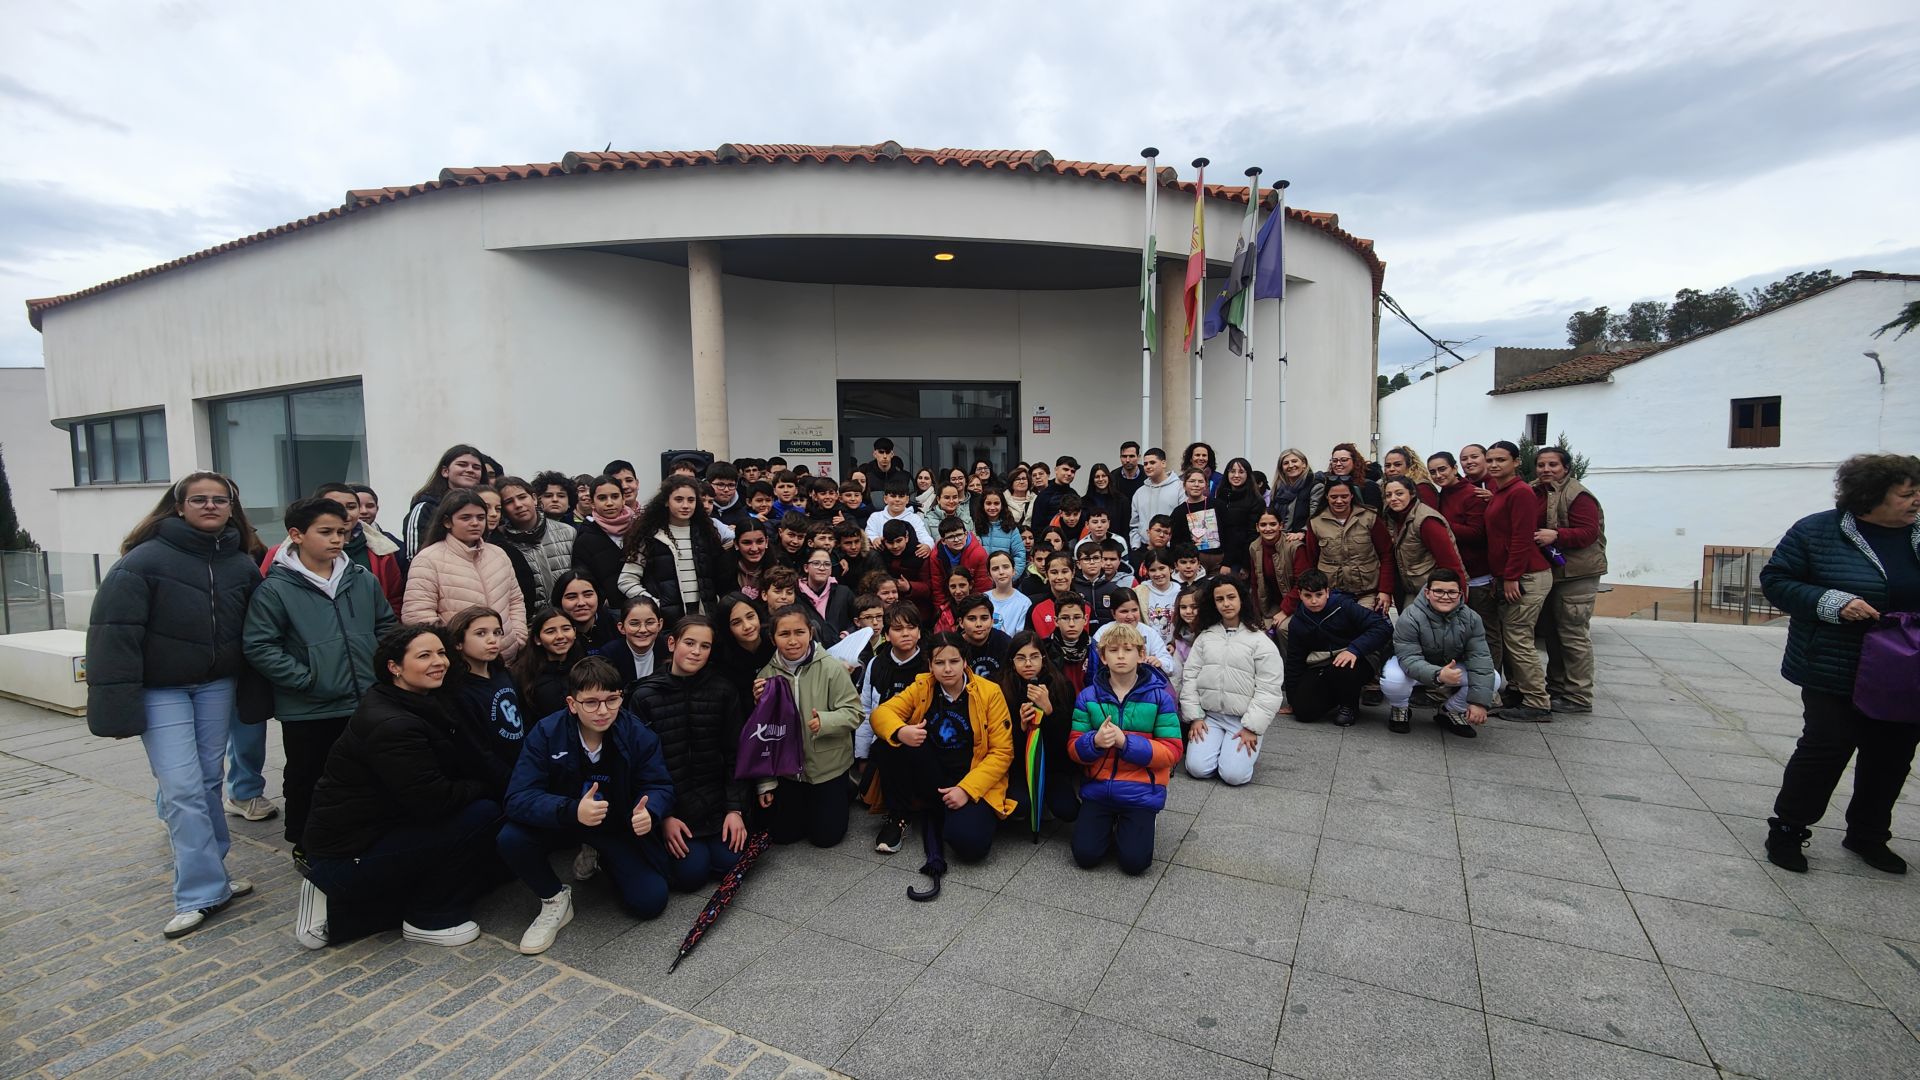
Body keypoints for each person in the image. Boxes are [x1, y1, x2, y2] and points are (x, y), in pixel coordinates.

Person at [87, 473, 268, 938]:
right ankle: (200, 893)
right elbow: (114, 633)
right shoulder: (143, 561)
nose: (210, 506)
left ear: (232, 507)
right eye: (199, 499)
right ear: (179, 506)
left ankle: (216, 876)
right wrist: (116, 703)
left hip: (216, 686)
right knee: (181, 786)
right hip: (161, 690)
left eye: (219, 500)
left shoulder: (241, 563)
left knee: (208, 781)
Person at [1761, 453, 1920, 875]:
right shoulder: (1817, 531)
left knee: (1891, 753)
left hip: (1905, 669)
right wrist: (1832, 601)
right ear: (1870, 496)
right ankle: (1789, 829)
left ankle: (1868, 833)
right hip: (1835, 664)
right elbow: (1776, 581)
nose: (1917, 500)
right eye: (1907, 494)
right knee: (1826, 746)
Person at [297, 626, 503, 950]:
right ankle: (429, 917)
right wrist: (482, 787)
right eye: (424, 656)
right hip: (349, 852)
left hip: (382, 826)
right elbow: (433, 802)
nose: (439, 662)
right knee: (483, 815)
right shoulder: (392, 724)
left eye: (441, 653)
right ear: (394, 667)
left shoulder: (416, 699)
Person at [245, 494, 399, 853]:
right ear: (297, 535)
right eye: (325, 532)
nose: (336, 540)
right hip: (308, 706)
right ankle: (306, 842)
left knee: (365, 770)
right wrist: (307, 680)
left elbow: (385, 626)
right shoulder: (276, 587)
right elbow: (260, 645)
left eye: (342, 532)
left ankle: (361, 836)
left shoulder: (361, 578)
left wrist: (376, 670)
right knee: (308, 775)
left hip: (363, 696)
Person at [498, 655, 674, 955]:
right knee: (511, 838)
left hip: (613, 824)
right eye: (591, 702)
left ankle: (600, 857)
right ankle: (554, 899)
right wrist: (570, 809)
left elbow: (659, 785)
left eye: (612, 700)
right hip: (563, 821)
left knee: (650, 901)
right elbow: (517, 797)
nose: (603, 711)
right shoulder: (546, 732)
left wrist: (651, 810)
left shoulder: (637, 732)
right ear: (572, 703)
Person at [867, 633, 1015, 898]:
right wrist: (901, 731)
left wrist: (966, 790)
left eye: (954, 661)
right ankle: (899, 815)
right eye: (939, 662)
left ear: (965, 661)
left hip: (969, 778)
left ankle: (950, 812)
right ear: (930, 664)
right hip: (931, 772)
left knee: (971, 847)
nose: (947, 669)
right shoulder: (922, 687)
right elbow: (881, 714)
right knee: (887, 743)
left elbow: (1002, 752)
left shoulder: (989, 692)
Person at [625, 615, 751, 892]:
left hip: (715, 802)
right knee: (691, 876)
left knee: (735, 862)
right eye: (689, 643)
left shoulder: (723, 690)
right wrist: (664, 817)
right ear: (672, 643)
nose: (696, 651)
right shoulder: (644, 696)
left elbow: (735, 753)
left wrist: (735, 809)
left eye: (704, 646)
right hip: (674, 807)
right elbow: (639, 766)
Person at [1067, 624, 1182, 875]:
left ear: (1141, 655)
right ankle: (1109, 825)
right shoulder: (1088, 697)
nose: (1120, 655)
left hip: (1141, 791)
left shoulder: (1160, 697)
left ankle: (1137, 823)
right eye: (1113, 650)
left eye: (1128, 649)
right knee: (1085, 856)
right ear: (1103, 657)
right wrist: (1094, 742)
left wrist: (1126, 743)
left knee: (1135, 863)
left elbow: (1172, 751)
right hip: (1098, 789)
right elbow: (1074, 748)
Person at [752, 605, 863, 847]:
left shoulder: (831, 668)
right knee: (783, 835)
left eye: (799, 632)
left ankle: (847, 787)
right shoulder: (767, 675)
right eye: (784, 634)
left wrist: (826, 721)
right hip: (788, 772)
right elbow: (762, 736)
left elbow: (855, 713)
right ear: (772, 638)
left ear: (810, 633)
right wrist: (766, 782)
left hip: (828, 767)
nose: (793, 641)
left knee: (825, 838)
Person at [1180, 577, 1285, 785]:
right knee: (1197, 768)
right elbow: (1190, 676)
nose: (1226, 604)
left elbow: (1269, 688)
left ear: (1242, 600)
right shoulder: (1205, 637)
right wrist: (1195, 717)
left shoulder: (1259, 641)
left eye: (1231, 597)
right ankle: (1219, 748)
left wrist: (1252, 727)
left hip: (1242, 720)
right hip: (1210, 717)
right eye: (1219, 599)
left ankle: (1234, 755)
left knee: (1233, 776)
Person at [1380, 569, 1499, 738]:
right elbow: (1409, 658)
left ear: (1460, 594)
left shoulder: (1472, 618)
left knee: (1493, 678)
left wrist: (1479, 702)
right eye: (1439, 591)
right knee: (1393, 678)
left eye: (1452, 592)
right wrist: (1438, 674)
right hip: (1415, 666)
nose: (1445, 596)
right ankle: (1400, 707)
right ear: (1427, 593)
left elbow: (1480, 658)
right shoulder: (1410, 616)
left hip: (1450, 666)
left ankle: (1451, 711)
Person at [1482, 441, 1554, 720]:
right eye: (1490, 460)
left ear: (1516, 462)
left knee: (1519, 638)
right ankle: (1522, 691)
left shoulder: (1521, 492)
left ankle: (1537, 702)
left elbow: (1522, 537)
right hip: (1510, 575)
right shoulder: (1501, 492)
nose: (1494, 465)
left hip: (1527, 575)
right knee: (1513, 636)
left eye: (1501, 459)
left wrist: (1511, 576)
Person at [1532, 447, 1607, 714]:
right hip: (1553, 573)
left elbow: (1588, 532)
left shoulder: (1578, 494)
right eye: (1541, 465)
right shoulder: (1537, 490)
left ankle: (1578, 695)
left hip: (1577, 574)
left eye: (1553, 464)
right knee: (1553, 633)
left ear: (1565, 467)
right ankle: (1558, 687)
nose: (1546, 470)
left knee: (1573, 634)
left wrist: (1557, 536)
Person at [995, 630, 1082, 829]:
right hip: (1016, 766)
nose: (1028, 664)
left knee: (1068, 811)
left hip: (1052, 765)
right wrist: (1021, 727)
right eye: (1021, 658)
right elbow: (999, 741)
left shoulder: (1061, 684)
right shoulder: (1000, 687)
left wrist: (1050, 711)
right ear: (1011, 661)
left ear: (1043, 658)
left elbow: (1066, 740)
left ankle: (1046, 801)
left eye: (1034, 657)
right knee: (1021, 805)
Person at [1284, 569, 1392, 726]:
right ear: (1300, 595)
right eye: (1308, 596)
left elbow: (1382, 627)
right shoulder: (1298, 622)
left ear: (1327, 592)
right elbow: (1294, 660)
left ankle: (1349, 706)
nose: (1314, 601)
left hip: (1358, 659)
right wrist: (1293, 699)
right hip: (1321, 664)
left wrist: (1354, 649)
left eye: (1318, 595)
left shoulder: (1344, 606)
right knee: (1303, 712)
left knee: (1342, 667)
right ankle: (1337, 696)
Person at [441, 605, 525, 795]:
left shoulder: (503, 674)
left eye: (497, 633)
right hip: (500, 782)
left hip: (522, 765)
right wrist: (514, 782)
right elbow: (477, 753)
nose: (492, 640)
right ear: (458, 642)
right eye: (481, 633)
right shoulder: (458, 691)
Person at [856, 603, 929, 808]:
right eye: (897, 629)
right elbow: (867, 710)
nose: (906, 634)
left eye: (911, 627)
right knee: (866, 794)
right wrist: (862, 755)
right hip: (885, 739)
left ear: (919, 632)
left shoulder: (930, 663)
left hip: (922, 738)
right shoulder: (876, 664)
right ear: (887, 635)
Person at [1431, 450, 1498, 671]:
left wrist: (1441, 525)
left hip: (1477, 575)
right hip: (1453, 576)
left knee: (1485, 633)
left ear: (1453, 468)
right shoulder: (1444, 494)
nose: (1438, 475)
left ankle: (1490, 681)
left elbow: (1478, 533)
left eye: (1442, 469)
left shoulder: (1472, 494)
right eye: (1433, 472)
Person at [622, 477, 726, 618]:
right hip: (667, 620)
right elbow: (626, 580)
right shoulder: (650, 536)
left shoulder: (706, 533)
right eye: (678, 499)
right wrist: (654, 605)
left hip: (704, 617)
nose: (686, 505)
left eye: (691, 500)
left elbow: (719, 576)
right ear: (666, 501)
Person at [1382, 476, 1466, 613]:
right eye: (1388, 495)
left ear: (1412, 493)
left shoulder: (1426, 521)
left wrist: (1459, 598)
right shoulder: (1395, 518)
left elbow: (1450, 562)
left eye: (1399, 493)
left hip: (1437, 591)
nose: (1393, 498)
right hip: (1413, 590)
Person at [496, 475, 579, 603]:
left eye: (522, 497)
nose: (518, 505)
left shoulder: (567, 532)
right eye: (509, 502)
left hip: (567, 613)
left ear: (534, 499)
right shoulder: (502, 544)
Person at [403, 444, 485, 558]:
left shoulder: (488, 505)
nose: (470, 470)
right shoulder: (425, 507)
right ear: (445, 471)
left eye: (476, 467)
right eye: (462, 465)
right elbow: (414, 557)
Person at [571, 475, 633, 605]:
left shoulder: (639, 529)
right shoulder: (584, 540)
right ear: (592, 503)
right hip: (611, 611)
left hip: (644, 606)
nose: (609, 503)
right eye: (602, 498)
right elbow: (585, 580)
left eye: (615, 496)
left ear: (623, 499)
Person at [513, 606, 581, 722]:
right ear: (537, 639)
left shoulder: (583, 667)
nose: (560, 636)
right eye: (550, 631)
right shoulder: (522, 674)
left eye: (566, 629)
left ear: (574, 632)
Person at [598, 594, 668, 691]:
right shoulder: (609, 654)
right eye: (634, 624)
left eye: (650, 622)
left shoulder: (669, 649)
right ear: (621, 627)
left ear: (659, 625)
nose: (643, 630)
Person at [552, 570, 620, 652]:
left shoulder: (618, 624)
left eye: (588, 595)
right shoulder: (553, 635)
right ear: (559, 601)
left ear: (598, 596)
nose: (581, 603)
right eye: (571, 597)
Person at [1216, 458, 1262, 574]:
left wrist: (1245, 565)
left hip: (1240, 560)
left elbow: (1253, 535)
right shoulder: (1220, 495)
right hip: (1218, 557)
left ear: (1248, 475)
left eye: (1241, 472)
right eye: (1232, 471)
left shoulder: (1256, 500)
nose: (1236, 475)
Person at [1129, 447, 1181, 549]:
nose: (1148, 466)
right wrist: (1135, 546)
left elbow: (1182, 521)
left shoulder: (1180, 488)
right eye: (1145, 464)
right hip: (1145, 549)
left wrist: (1173, 545)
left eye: (1152, 462)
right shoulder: (1139, 492)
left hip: (1171, 549)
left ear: (1163, 463)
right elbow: (1134, 525)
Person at [797, 548, 855, 635]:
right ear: (806, 568)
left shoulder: (844, 593)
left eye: (827, 564)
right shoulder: (796, 594)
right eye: (816, 563)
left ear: (831, 570)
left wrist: (847, 633)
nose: (822, 568)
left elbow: (858, 620)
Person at [971, 489, 1027, 578]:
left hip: (1005, 578)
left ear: (1002, 505)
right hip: (982, 579)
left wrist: (1011, 578)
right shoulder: (975, 526)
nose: (992, 507)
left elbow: (1019, 555)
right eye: (988, 503)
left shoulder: (1011, 527)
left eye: (996, 503)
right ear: (982, 505)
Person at [1268, 449, 1315, 535]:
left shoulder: (1314, 485)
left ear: (1304, 464)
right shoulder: (1277, 489)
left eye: (1294, 461)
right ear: (1281, 468)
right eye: (1286, 463)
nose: (1290, 465)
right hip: (1279, 538)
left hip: (1302, 537)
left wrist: (1302, 532)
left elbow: (1315, 516)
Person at [985, 550, 1033, 634]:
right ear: (989, 575)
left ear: (1013, 571)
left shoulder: (1024, 602)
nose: (1001, 572)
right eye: (995, 569)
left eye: (1006, 567)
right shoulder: (983, 599)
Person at [1031, 455, 1081, 532]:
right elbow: (1036, 527)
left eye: (1072, 471)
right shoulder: (1044, 495)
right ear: (1056, 470)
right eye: (1065, 469)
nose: (1069, 473)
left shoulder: (1074, 494)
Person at [1111, 441, 1147, 509]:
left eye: (1131, 456)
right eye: (1124, 456)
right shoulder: (1113, 476)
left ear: (1138, 457)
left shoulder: (1147, 476)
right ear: (1120, 457)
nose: (1127, 460)